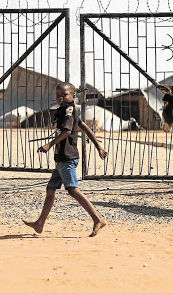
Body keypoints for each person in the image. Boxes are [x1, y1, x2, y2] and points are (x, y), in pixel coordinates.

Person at [23, 82, 108, 237]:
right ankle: (40, 224)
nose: (60, 98)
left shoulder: (68, 111)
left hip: (67, 158)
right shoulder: (68, 111)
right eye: (58, 95)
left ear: (73, 96)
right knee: (50, 190)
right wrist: (99, 147)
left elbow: (67, 132)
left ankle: (97, 219)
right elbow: (85, 128)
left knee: (72, 189)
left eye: (64, 95)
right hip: (62, 158)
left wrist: (49, 144)